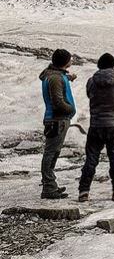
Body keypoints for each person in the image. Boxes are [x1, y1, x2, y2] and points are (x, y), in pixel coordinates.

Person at [78, 53, 114, 203]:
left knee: (91, 159)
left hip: (96, 125)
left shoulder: (92, 81)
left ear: (98, 65)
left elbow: (89, 94)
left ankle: (84, 191)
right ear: (113, 64)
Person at [40, 49, 77, 199]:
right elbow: (58, 102)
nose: (72, 60)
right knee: (51, 153)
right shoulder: (56, 78)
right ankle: (48, 187)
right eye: (70, 58)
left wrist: (68, 78)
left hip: (56, 119)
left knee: (53, 152)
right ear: (64, 62)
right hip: (57, 119)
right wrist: (71, 108)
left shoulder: (55, 75)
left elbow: (58, 79)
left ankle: (50, 184)